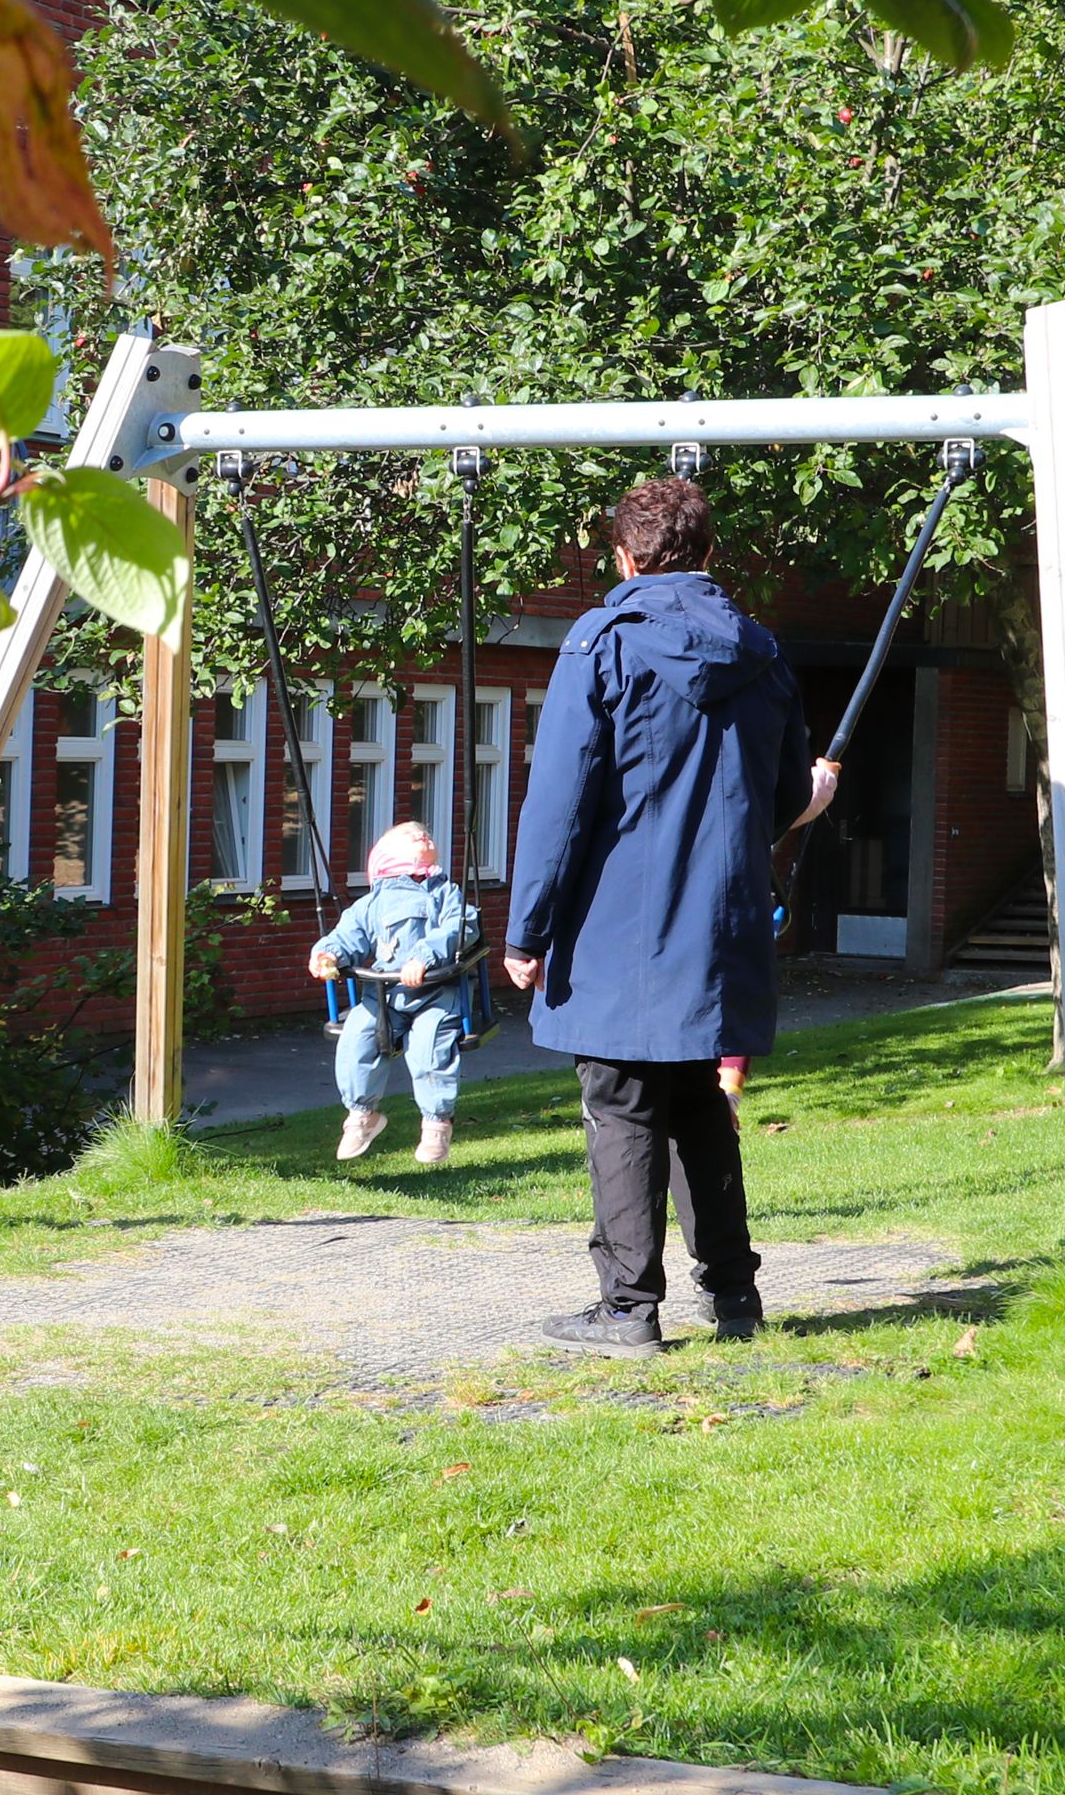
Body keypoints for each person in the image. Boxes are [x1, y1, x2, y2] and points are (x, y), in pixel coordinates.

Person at [502, 477, 837, 1357]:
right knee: (697, 1102)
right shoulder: (763, 653)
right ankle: (734, 1297)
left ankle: (625, 1311)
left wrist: (525, 931)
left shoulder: (601, 644)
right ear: (708, 554)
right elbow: (780, 797)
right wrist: (814, 795)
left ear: (624, 554)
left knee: (620, 1107)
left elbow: (559, 802)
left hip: (617, 927)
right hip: (719, 928)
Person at [306, 821, 477, 1163]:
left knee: (430, 1050)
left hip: (437, 994)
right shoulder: (373, 903)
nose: (422, 834)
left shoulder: (444, 893)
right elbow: (348, 935)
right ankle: (361, 1114)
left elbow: (462, 926)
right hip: (385, 996)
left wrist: (424, 956)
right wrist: (328, 953)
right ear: (385, 854)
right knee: (356, 1037)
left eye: (426, 833)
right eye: (411, 834)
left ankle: (436, 1124)